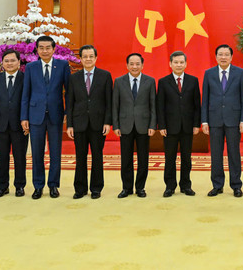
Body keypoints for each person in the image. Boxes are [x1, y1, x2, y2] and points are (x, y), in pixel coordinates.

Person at [21, 35, 71, 199]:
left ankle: (53, 185)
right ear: (36, 49)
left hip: (56, 115)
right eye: (41, 48)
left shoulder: (62, 65)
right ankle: (38, 186)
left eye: (48, 47)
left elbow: (68, 92)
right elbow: (26, 93)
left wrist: (67, 113)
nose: (44, 51)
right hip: (35, 115)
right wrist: (24, 117)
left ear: (54, 49)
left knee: (55, 152)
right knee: (37, 153)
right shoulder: (31, 67)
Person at [65, 44, 113, 199]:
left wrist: (107, 122)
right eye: (85, 56)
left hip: (98, 123)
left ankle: (96, 188)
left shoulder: (105, 76)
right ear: (80, 59)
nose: (88, 59)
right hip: (79, 123)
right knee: (80, 157)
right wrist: (69, 124)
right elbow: (70, 102)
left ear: (96, 58)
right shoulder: (73, 78)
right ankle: (80, 189)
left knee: (97, 156)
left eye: (91, 56)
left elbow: (109, 101)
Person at [201, 44, 243, 197]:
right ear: (216, 57)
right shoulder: (209, 73)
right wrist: (204, 121)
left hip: (234, 119)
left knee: (234, 153)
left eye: (226, 54)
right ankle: (217, 185)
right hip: (214, 120)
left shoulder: (240, 73)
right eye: (220, 54)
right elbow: (205, 99)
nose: (223, 57)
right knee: (216, 154)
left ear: (231, 57)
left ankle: (236, 185)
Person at [156, 51, 201, 197]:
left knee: (186, 158)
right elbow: (160, 106)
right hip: (170, 127)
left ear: (186, 64)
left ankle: (186, 185)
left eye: (181, 62)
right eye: (176, 62)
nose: (179, 65)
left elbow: (197, 105)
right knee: (170, 158)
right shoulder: (163, 82)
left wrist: (196, 124)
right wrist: (161, 126)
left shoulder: (193, 81)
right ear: (170, 64)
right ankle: (170, 186)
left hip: (188, 126)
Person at [112, 53, 156, 198]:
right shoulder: (119, 81)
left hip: (144, 125)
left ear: (142, 65)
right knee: (126, 159)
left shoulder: (150, 81)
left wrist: (152, 125)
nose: (134, 67)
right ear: (127, 65)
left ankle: (140, 188)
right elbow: (115, 105)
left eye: (137, 64)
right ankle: (126, 188)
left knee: (143, 159)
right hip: (125, 125)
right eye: (131, 64)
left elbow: (153, 105)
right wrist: (116, 126)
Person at [0, 48, 28, 197]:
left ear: (19, 62)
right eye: (6, 61)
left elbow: (29, 100)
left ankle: (19, 186)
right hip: (0, 125)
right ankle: (3, 186)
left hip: (20, 125)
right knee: (2, 157)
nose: (9, 63)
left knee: (20, 157)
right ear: (2, 63)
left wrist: (27, 120)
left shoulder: (25, 78)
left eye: (13, 60)